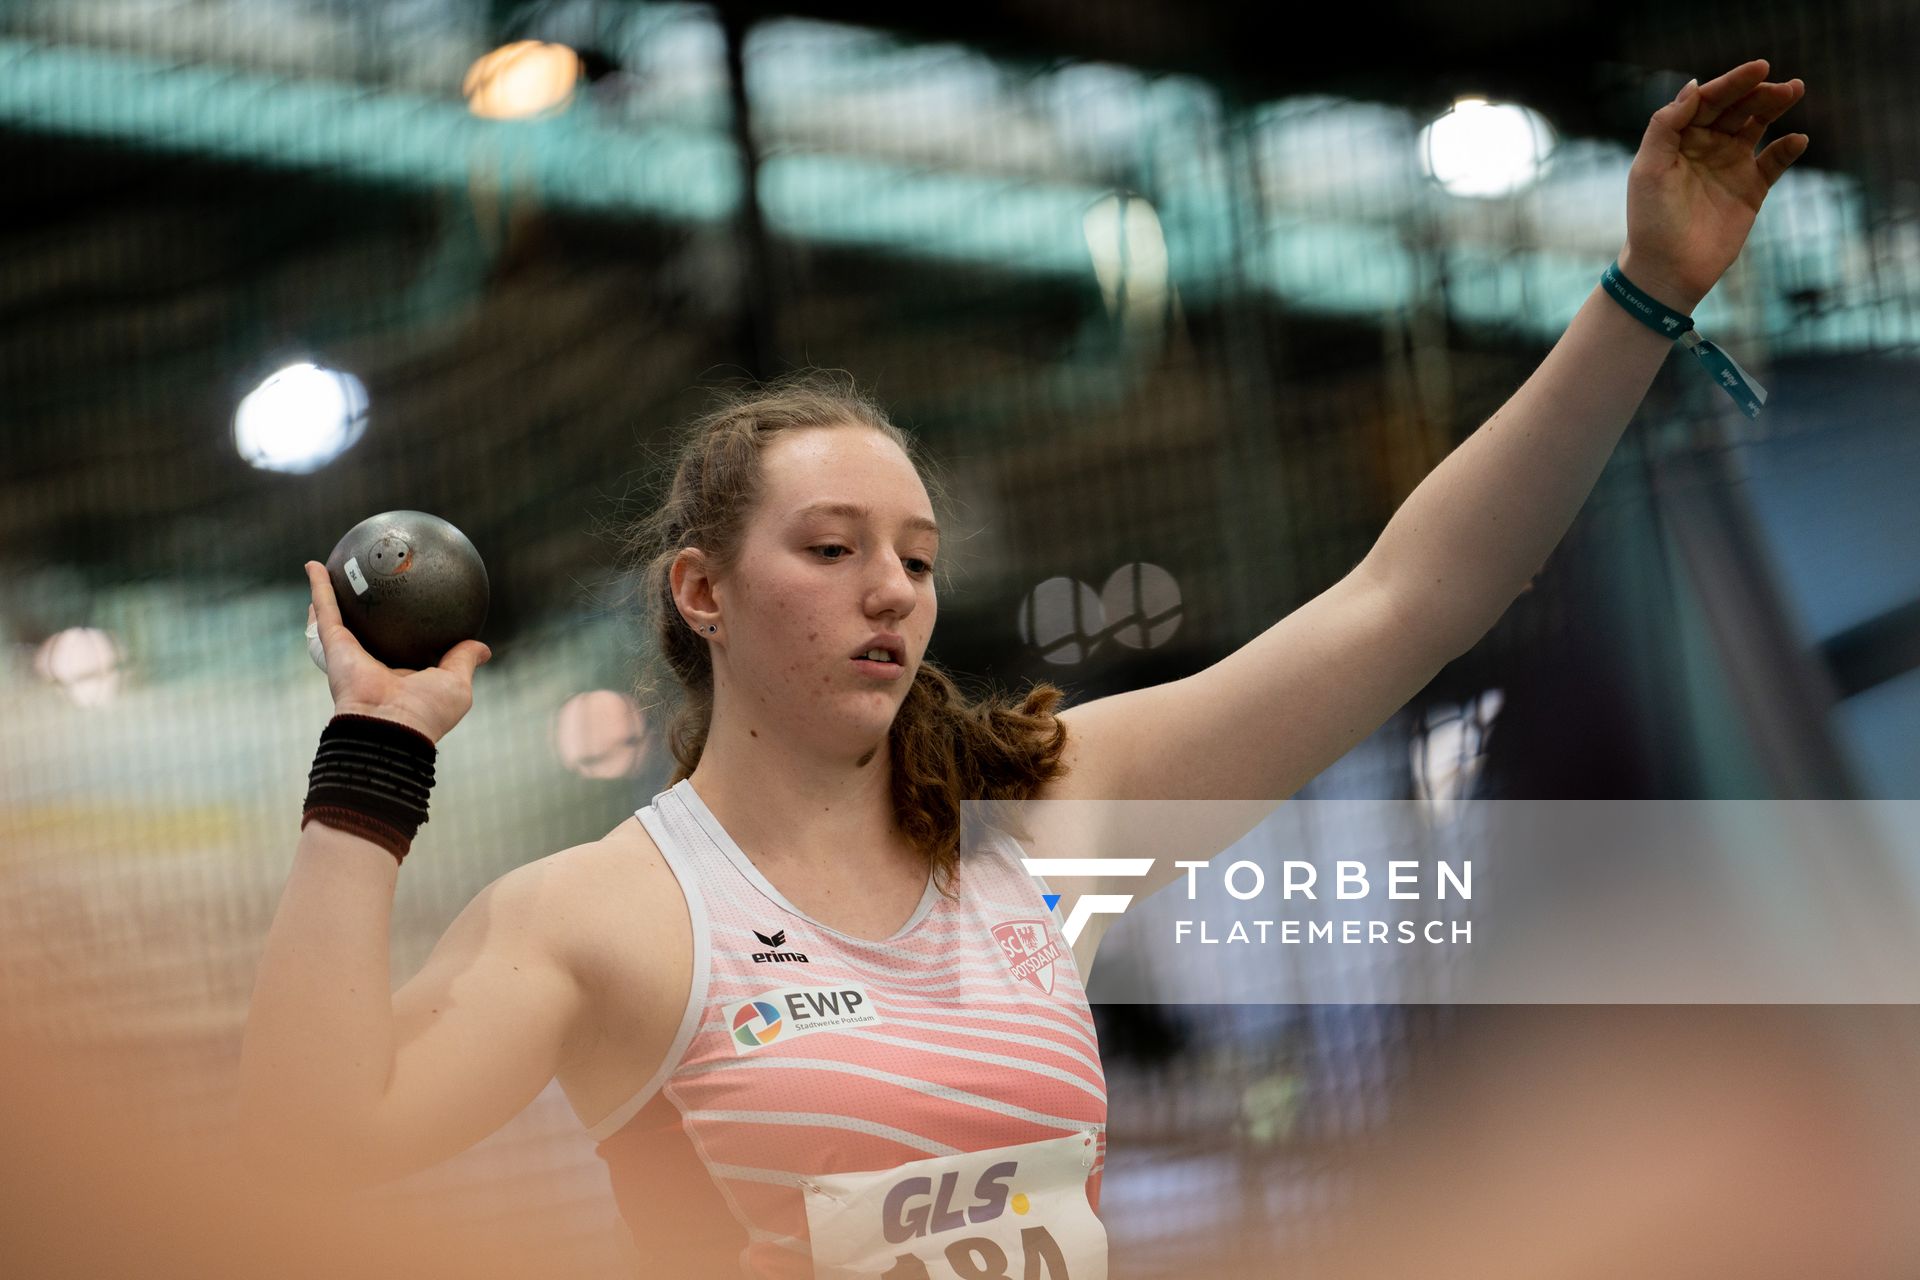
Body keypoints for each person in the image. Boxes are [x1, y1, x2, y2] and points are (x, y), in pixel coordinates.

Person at [241, 59, 1809, 1280]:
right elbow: (319, 1141)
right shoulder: (601, 919)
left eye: (918, 558)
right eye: (833, 548)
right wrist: (372, 762)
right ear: (702, 590)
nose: (892, 594)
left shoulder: (1042, 826)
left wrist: (1644, 296)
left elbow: (1406, 601)